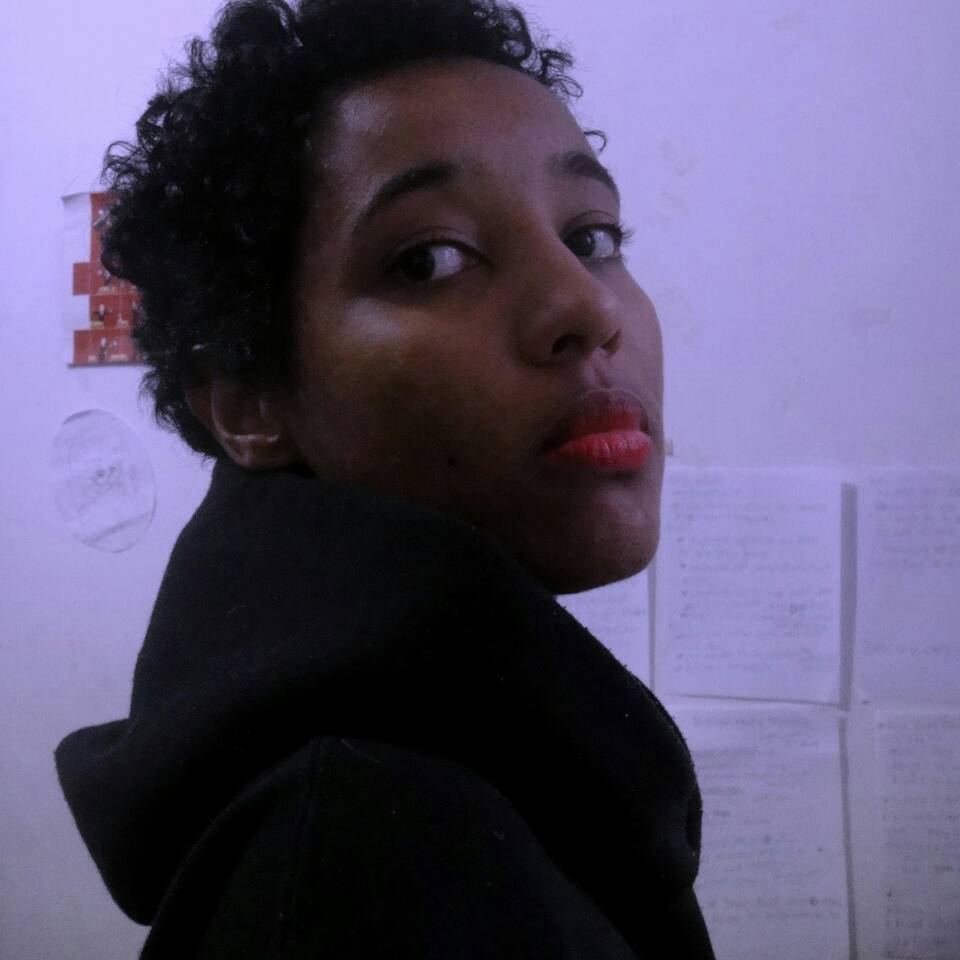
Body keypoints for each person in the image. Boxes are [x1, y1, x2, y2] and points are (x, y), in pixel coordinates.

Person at [55, 0, 715, 956]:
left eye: (592, 238)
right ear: (249, 402)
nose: (584, 306)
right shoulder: (366, 862)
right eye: (430, 258)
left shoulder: (466, 771)